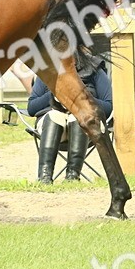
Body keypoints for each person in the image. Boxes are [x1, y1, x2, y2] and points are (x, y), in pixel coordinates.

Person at [27, 51, 113, 183]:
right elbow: (32, 108)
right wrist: (54, 95)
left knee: (79, 118)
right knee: (54, 115)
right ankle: (44, 178)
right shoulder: (47, 70)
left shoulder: (94, 69)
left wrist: (83, 99)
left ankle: (72, 176)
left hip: (87, 129)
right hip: (52, 123)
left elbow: (109, 106)